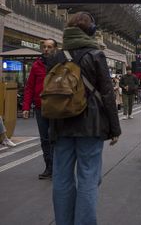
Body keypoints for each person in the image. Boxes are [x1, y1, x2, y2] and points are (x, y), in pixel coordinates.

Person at [47, 12, 121, 225]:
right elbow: (107, 93)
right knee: (89, 178)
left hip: (61, 124)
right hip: (91, 125)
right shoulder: (95, 55)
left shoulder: (56, 57)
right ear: (91, 31)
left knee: (61, 179)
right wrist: (114, 129)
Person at [22, 38, 57, 179]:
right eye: (44, 47)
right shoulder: (37, 65)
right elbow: (29, 87)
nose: (46, 49)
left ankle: (57, 166)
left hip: (56, 107)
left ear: (55, 48)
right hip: (40, 107)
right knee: (44, 138)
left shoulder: (60, 65)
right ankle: (49, 166)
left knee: (55, 137)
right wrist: (25, 107)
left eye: (49, 47)